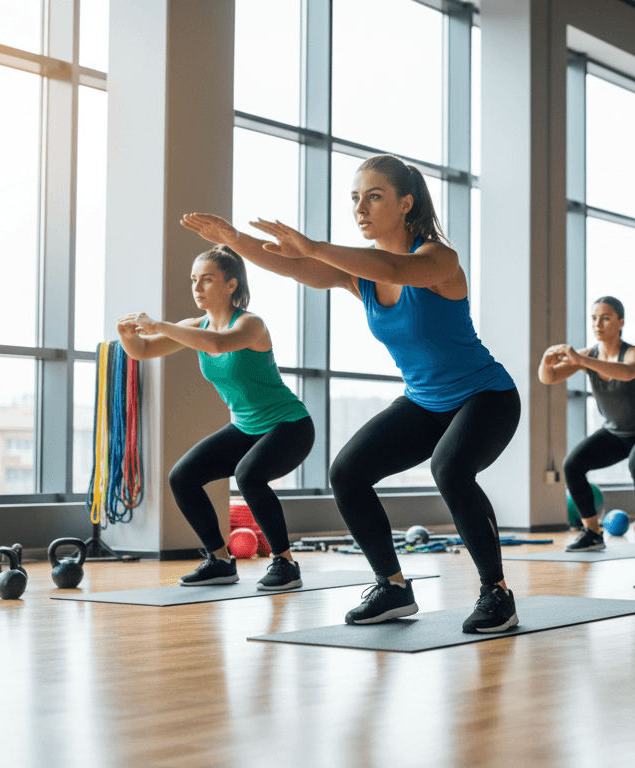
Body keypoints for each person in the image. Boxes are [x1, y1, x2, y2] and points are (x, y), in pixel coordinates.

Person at [181, 153, 520, 633]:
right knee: (348, 471)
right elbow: (295, 266)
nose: (360, 208)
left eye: (374, 197)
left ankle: (497, 594)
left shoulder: (439, 260)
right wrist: (234, 240)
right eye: (355, 199)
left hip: (486, 397)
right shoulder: (359, 275)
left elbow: (394, 268)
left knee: (451, 468)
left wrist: (315, 246)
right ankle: (393, 587)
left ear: (406, 203)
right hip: (425, 401)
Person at [118, 245, 314, 591]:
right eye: (194, 280)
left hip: (289, 425)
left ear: (231, 285)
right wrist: (128, 338)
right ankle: (220, 561)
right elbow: (146, 351)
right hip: (245, 427)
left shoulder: (251, 325)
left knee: (249, 475)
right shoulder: (195, 326)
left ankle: (285, 563)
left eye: (207, 279)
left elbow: (218, 344)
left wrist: (159, 324)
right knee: (183, 477)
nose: (197, 287)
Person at [538, 297, 635, 556]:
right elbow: (550, 377)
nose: (597, 324)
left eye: (606, 318)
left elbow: (626, 372)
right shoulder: (588, 355)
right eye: (593, 318)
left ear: (620, 322)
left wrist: (580, 359)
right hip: (616, 432)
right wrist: (546, 361)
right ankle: (592, 533)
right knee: (572, 465)